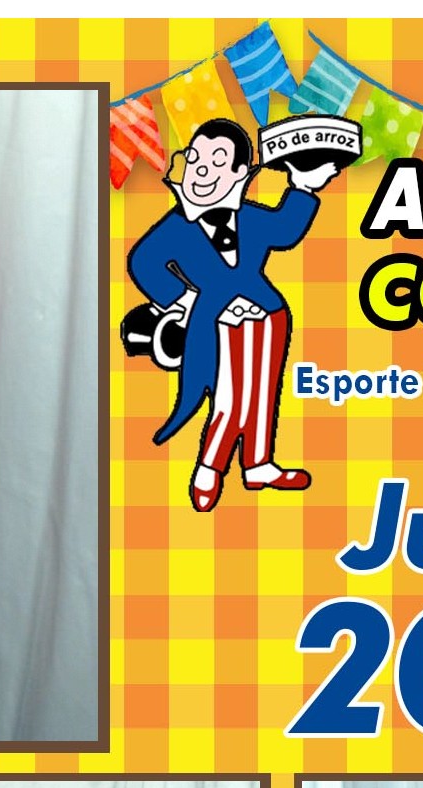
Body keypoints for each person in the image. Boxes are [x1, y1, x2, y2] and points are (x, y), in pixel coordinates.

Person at [124, 116, 339, 511]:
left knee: (262, 394)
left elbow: (285, 230)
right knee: (230, 400)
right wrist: (184, 299)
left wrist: (304, 185)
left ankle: (258, 464)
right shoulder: (176, 227)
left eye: (217, 160)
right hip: (216, 323)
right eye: (195, 158)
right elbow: (143, 262)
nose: (202, 169)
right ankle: (209, 468)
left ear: (240, 172)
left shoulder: (250, 217)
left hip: (270, 316)